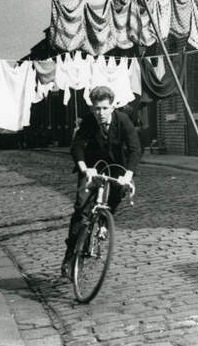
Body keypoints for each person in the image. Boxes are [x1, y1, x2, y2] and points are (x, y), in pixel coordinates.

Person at [61, 86, 142, 279]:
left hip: (116, 168)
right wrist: (84, 168)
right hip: (92, 167)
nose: (101, 113)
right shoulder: (89, 122)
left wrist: (128, 175)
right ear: (92, 109)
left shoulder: (123, 121)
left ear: (113, 107)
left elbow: (135, 149)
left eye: (105, 108)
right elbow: (77, 147)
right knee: (82, 210)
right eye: (97, 109)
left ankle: (105, 221)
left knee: (116, 194)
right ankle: (70, 255)